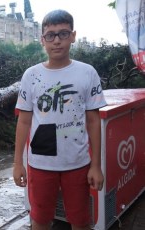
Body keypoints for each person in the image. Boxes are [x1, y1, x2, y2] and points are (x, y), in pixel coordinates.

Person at [13, 9, 107, 230]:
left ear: (73, 36)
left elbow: (93, 121)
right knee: (40, 220)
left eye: (63, 34)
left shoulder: (87, 73)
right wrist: (18, 163)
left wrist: (96, 166)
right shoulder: (31, 75)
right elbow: (24, 121)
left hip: (78, 163)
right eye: (50, 35)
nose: (57, 41)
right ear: (42, 40)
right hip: (40, 163)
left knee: (81, 221)